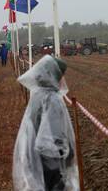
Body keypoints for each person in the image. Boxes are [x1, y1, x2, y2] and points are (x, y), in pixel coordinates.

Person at [13, 55, 79, 191]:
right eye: (62, 75)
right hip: (50, 167)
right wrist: (57, 179)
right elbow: (51, 142)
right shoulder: (52, 100)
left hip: (37, 164)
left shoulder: (38, 95)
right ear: (54, 76)